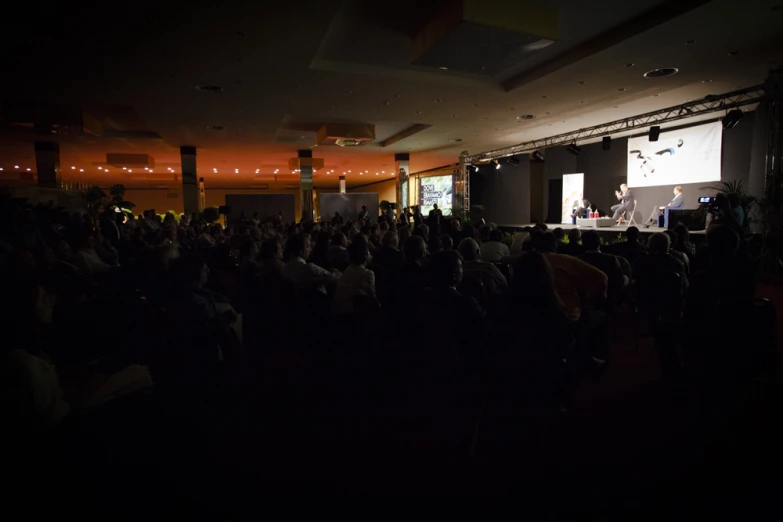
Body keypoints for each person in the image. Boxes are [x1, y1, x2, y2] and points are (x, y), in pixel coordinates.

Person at [534, 232, 608, 323]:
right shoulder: (565, 260)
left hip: (536, 316)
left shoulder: (528, 262)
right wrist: (588, 302)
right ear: (555, 246)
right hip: (567, 315)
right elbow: (602, 278)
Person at [331, 235, 377, 315]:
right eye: (368, 252)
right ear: (365, 256)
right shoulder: (367, 273)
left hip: (337, 312)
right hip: (351, 315)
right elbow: (372, 296)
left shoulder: (348, 270)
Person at [579, 230, 627, 304]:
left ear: (583, 244)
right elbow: (619, 281)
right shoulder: (611, 259)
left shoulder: (577, 260)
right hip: (607, 301)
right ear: (599, 243)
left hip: (583, 302)